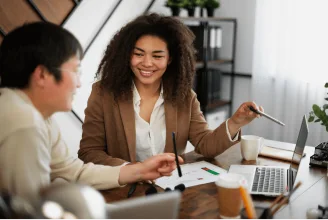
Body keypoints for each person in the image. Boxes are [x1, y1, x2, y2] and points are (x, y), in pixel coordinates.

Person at [0, 22, 183, 204]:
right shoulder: (24, 122)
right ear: (42, 75)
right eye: (75, 71)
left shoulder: (35, 116)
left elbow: (72, 171)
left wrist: (141, 170)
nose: (79, 83)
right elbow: (27, 210)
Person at [78, 13, 263, 166]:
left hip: (168, 189)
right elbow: (89, 152)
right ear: (127, 55)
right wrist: (134, 170)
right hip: (123, 191)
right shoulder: (103, 93)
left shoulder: (184, 96)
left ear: (170, 59)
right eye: (138, 54)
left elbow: (206, 145)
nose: (147, 63)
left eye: (157, 56)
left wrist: (236, 122)